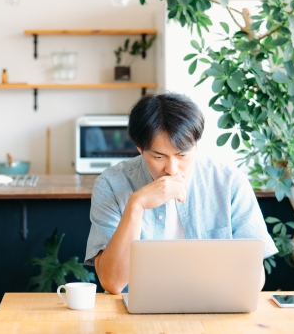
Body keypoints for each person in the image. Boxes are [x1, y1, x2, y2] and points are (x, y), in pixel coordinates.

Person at [85, 92, 278, 294]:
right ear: (140, 148)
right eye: (159, 157)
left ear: (196, 144)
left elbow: (254, 280)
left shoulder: (229, 182)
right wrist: (136, 205)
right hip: (137, 315)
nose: (172, 169)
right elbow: (113, 282)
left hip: (215, 308)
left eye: (182, 155)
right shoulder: (111, 184)